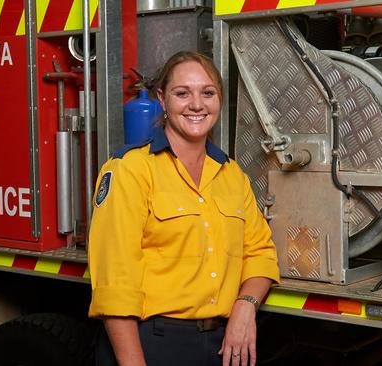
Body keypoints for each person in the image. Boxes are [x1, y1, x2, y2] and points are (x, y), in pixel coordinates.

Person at [88, 51, 280, 366]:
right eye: (182, 93)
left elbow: (260, 253)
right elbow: (115, 283)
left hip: (222, 345)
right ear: (162, 99)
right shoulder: (129, 170)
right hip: (152, 344)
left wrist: (246, 306)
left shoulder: (232, 175)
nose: (196, 104)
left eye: (208, 93)